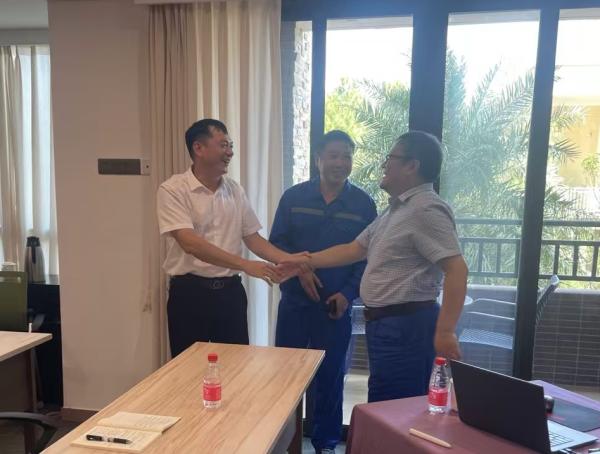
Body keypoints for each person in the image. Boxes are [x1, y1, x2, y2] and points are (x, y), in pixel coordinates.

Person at [297, 130, 468, 403]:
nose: (384, 165)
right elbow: (353, 250)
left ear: (412, 166)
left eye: (391, 158)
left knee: (395, 408)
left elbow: (457, 269)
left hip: (407, 328)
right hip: (387, 326)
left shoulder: (426, 209)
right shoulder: (397, 209)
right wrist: (301, 261)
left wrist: (445, 331)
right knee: (385, 403)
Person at [157, 118, 305, 357]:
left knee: (235, 366)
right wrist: (245, 265)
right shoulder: (173, 189)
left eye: (231, 146)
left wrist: (288, 259)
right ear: (198, 148)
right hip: (189, 294)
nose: (230, 152)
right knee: (188, 368)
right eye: (223, 145)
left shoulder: (235, 190)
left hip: (230, 294)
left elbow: (253, 238)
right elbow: (190, 243)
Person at [270, 130, 377, 454]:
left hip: (335, 308)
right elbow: (277, 244)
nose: (340, 162)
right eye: (333, 155)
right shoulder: (293, 198)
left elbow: (367, 256)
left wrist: (347, 294)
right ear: (318, 159)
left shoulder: (363, 204)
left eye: (347, 156)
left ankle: (326, 445)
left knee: (330, 378)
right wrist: (299, 269)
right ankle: (287, 443)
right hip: (294, 304)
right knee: (287, 377)